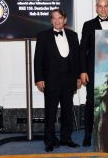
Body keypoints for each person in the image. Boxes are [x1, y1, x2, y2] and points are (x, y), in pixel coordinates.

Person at [34, 9, 80, 152]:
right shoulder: (43, 36)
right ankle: (49, 140)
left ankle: (66, 138)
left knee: (67, 111)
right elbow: (38, 60)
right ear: (51, 20)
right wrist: (39, 78)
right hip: (51, 80)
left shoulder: (73, 35)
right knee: (50, 112)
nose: (57, 21)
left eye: (60, 18)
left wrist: (78, 77)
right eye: (54, 18)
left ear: (65, 20)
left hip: (69, 80)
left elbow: (77, 59)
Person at [79, 0, 108, 146]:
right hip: (93, 71)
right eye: (100, 6)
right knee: (91, 103)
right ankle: (88, 134)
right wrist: (83, 71)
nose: (103, 9)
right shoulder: (88, 25)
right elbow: (82, 49)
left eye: (105, 6)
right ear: (96, 8)